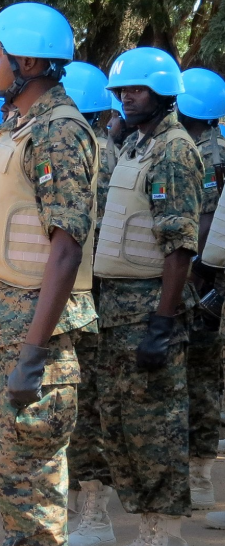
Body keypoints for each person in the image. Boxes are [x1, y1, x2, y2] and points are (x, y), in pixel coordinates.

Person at [0, 4, 99, 546]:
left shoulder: (60, 132)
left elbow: (66, 248)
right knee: (10, 486)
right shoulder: (20, 128)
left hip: (28, 338)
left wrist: (32, 353)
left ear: (26, 61)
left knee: (32, 496)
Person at [94, 47, 203, 545]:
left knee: (156, 427)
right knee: (123, 426)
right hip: (117, 311)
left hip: (148, 311)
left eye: (137, 90)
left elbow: (179, 246)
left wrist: (162, 323)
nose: (127, 98)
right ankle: (147, 527)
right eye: (123, 91)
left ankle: (164, 533)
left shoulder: (174, 151)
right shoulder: (139, 144)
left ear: (163, 95)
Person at [59, 61, 120, 546]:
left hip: (90, 294)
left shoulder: (89, 151)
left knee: (89, 408)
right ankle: (80, 502)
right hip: (81, 292)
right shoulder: (98, 146)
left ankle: (96, 511)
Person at [175, 67, 225, 513]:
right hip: (198, 275)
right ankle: (194, 472)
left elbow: (207, 222)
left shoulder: (207, 152)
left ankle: (200, 475)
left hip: (201, 278)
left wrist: (197, 275)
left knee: (200, 377)